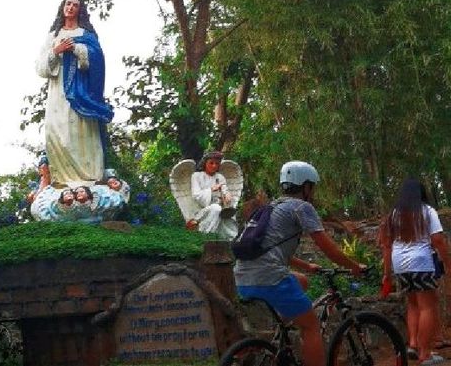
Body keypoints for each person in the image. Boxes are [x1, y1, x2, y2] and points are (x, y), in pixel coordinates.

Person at [234, 161, 365, 366]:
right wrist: (354, 266)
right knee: (311, 326)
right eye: (312, 187)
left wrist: (307, 266)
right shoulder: (302, 207)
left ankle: (281, 337)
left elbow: (270, 250)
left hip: (242, 279)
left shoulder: (272, 207)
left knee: (302, 280)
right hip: (270, 279)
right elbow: (327, 247)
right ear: (306, 186)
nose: (313, 192)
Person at [35, 0, 113, 187]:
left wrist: (77, 48)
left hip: (80, 93)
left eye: (75, 5)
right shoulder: (53, 36)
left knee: (81, 131)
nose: (71, 7)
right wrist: (57, 50)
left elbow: (98, 60)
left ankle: (90, 179)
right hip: (58, 92)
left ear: (80, 10)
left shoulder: (87, 35)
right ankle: (62, 180)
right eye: (68, 3)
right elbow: (39, 67)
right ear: (63, 7)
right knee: (56, 129)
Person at [380, 179, 450, 365]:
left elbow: (387, 245)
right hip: (421, 263)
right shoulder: (427, 211)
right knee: (428, 306)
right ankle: (425, 353)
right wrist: (448, 264)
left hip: (400, 265)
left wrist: (387, 273)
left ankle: (412, 344)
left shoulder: (395, 214)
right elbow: (438, 240)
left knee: (413, 304)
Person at [190, 151, 238, 239]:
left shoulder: (220, 177)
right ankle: (206, 236)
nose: (214, 166)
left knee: (228, 220)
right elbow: (196, 196)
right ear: (205, 163)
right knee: (216, 208)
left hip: (219, 208)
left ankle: (226, 240)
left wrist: (227, 196)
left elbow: (225, 190)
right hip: (201, 211)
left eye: (217, 163)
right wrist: (211, 190)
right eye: (211, 163)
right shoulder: (196, 176)